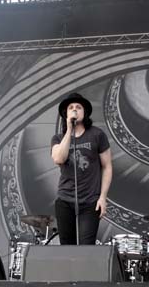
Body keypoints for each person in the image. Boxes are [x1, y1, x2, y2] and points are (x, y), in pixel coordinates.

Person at [51, 92, 113, 245]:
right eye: (71, 108)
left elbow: (107, 166)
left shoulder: (97, 135)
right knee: (67, 247)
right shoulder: (58, 138)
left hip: (90, 201)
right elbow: (59, 158)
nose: (74, 110)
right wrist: (69, 131)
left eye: (78, 107)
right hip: (65, 200)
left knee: (86, 247)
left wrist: (103, 198)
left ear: (84, 112)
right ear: (65, 114)